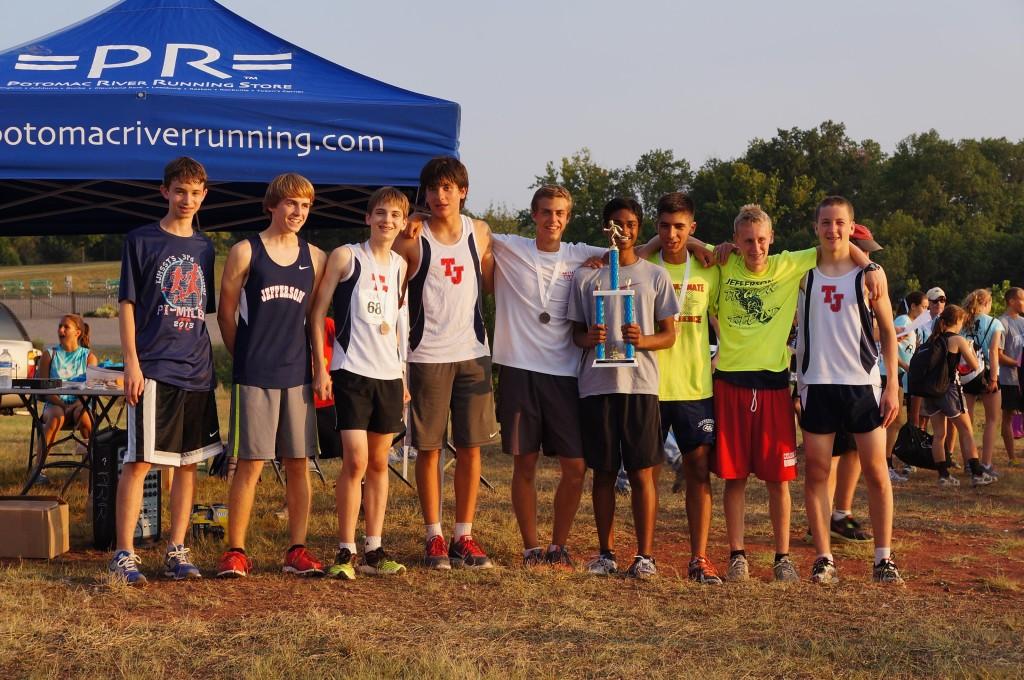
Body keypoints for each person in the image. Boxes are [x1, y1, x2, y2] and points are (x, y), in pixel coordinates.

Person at [710, 204, 880, 583]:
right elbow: (686, 243)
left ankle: (782, 556)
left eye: (762, 241)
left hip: (773, 385)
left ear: (772, 241)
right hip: (730, 383)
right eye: (747, 241)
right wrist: (717, 248)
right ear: (736, 241)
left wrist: (870, 266)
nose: (756, 248)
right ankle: (737, 554)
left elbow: (834, 246)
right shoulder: (722, 263)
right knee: (734, 478)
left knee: (779, 479)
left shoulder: (788, 264)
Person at [109, 156, 222, 585]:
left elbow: (199, 312)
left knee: (187, 463)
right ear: (165, 192)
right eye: (180, 191)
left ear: (204, 195)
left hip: (196, 370)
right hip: (154, 367)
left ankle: (177, 548)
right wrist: (132, 364)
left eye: (195, 193)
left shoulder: (205, 247)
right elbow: (128, 306)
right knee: (140, 461)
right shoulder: (141, 240)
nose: (187, 200)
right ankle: (124, 553)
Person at [215, 172, 327, 578]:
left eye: (305, 205)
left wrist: (318, 366)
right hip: (255, 373)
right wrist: (243, 355)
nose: (298, 212)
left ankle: (297, 549)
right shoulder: (246, 251)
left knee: (299, 463)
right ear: (273, 205)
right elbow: (225, 313)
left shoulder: (315, 257)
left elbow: (315, 317)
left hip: (297, 373)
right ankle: (236, 551)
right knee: (250, 464)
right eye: (291, 204)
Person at [488, 185, 606, 569]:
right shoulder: (510, 247)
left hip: (565, 375)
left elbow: (635, 251)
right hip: (519, 371)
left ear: (567, 217)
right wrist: (415, 220)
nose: (552, 220)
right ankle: (531, 548)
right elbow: (463, 226)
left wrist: (700, 247)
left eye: (559, 213)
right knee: (525, 464)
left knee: (575, 467)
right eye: (545, 212)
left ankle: (559, 545)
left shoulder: (581, 255)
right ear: (534, 215)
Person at [391, 156, 498, 569]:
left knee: (471, 449)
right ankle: (433, 535)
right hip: (428, 355)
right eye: (433, 190)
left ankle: (463, 535)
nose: (441, 196)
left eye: (448, 188)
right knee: (429, 450)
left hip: (473, 352)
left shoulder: (480, 232)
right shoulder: (411, 238)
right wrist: (411, 217)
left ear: (463, 191)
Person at [568, 197, 678, 578]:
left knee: (642, 471)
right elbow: (575, 335)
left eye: (630, 224)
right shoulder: (587, 277)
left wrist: (640, 340)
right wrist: (591, 337)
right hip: (596, 386)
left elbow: (668, 336)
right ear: (605, 227)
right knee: (602, 471)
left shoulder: (655, 275)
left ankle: (645, 555)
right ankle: (606, 553)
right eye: (616, 223)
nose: (624, 230)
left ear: (638, 227)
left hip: (640, 386)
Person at [796, 196, 903, 584]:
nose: (832, 229)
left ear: (851, 225)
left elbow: (889, 333)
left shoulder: (869, 276)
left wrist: (892, 386)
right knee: (818, 473)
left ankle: (883, 559)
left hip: (862, 384)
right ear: (816, 227)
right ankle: (824, 557)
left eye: (839, 222)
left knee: (877, 472)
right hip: (817, 383)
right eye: (825, 222)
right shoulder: (802, 272)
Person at [310, 187, 410, 579]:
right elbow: (317, 315)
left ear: (403, 224)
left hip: (388, 375)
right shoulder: (347, 256)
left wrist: (403, 375)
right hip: (351, 372)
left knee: (380, 462)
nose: (387, 220)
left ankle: (374, 548)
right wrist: (321, 368)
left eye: (395, 216)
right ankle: (345, 550)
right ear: (368, 218)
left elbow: (398, 325)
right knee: (355, 461)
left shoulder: (402, 265)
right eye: (380, 213)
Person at [647, 192, 723, 584]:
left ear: (692, 227)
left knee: (698, 470)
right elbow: (631, 253)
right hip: (650, 387)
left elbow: (730, 255)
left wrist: (700, 246)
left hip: (695, 388)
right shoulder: (644, 266)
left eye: (681, 227)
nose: (672, 234)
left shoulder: (709, 268)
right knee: (648, 473)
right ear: (656, 227)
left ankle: (699, 558)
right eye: (664, 226)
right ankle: (646, 555)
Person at [920, 305, 995, 488]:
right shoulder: (958, 339)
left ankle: (943, 476)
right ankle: (977, 474)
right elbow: (974, 365)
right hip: (950, 390)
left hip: (930, 392)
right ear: (959, 322)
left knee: (939, 434)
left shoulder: (932, 339)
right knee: (966, 430)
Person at [36, 314, 99, 452]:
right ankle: (39, 468)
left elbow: (91, 389)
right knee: (57, 417)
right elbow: (45, 389)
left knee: (84, 417)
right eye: (60, 326)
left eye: (66, 327)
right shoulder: (49, 355)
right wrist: (63, 405)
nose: (61, 330)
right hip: (54, 403)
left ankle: (90, 465)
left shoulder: (89, 357)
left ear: (78, 333)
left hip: (80, 403)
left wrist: (76, 404)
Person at [960, 289, 1004, 476]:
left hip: (966, 374)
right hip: (986, 374)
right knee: (992, 420)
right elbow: (994, 352)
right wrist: (994, 378)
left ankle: (969, 463)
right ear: (987, 303)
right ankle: (985, 463)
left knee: (966, 422)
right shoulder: (995, 323)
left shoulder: (963, 322)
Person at [889, 290, 928, 479]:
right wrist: (905, 365)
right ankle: (886, 463)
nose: (926, 311)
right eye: (924, 307)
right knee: (893, 421)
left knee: (894, 420)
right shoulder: (903, 322)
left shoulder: (912, 325)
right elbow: (889, 347)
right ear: (913, 306)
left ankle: (886, 461)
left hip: (899, 375)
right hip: (890, 374)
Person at [998, 287, 1024, 465]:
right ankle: (1011, 458)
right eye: (1022, 299)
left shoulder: (1023, 322)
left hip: (1023, 378)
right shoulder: (1002, 323)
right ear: (1012, 301)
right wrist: (1016, 363)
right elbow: (998, 354)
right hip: (1009, 379)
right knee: (1008, 416)